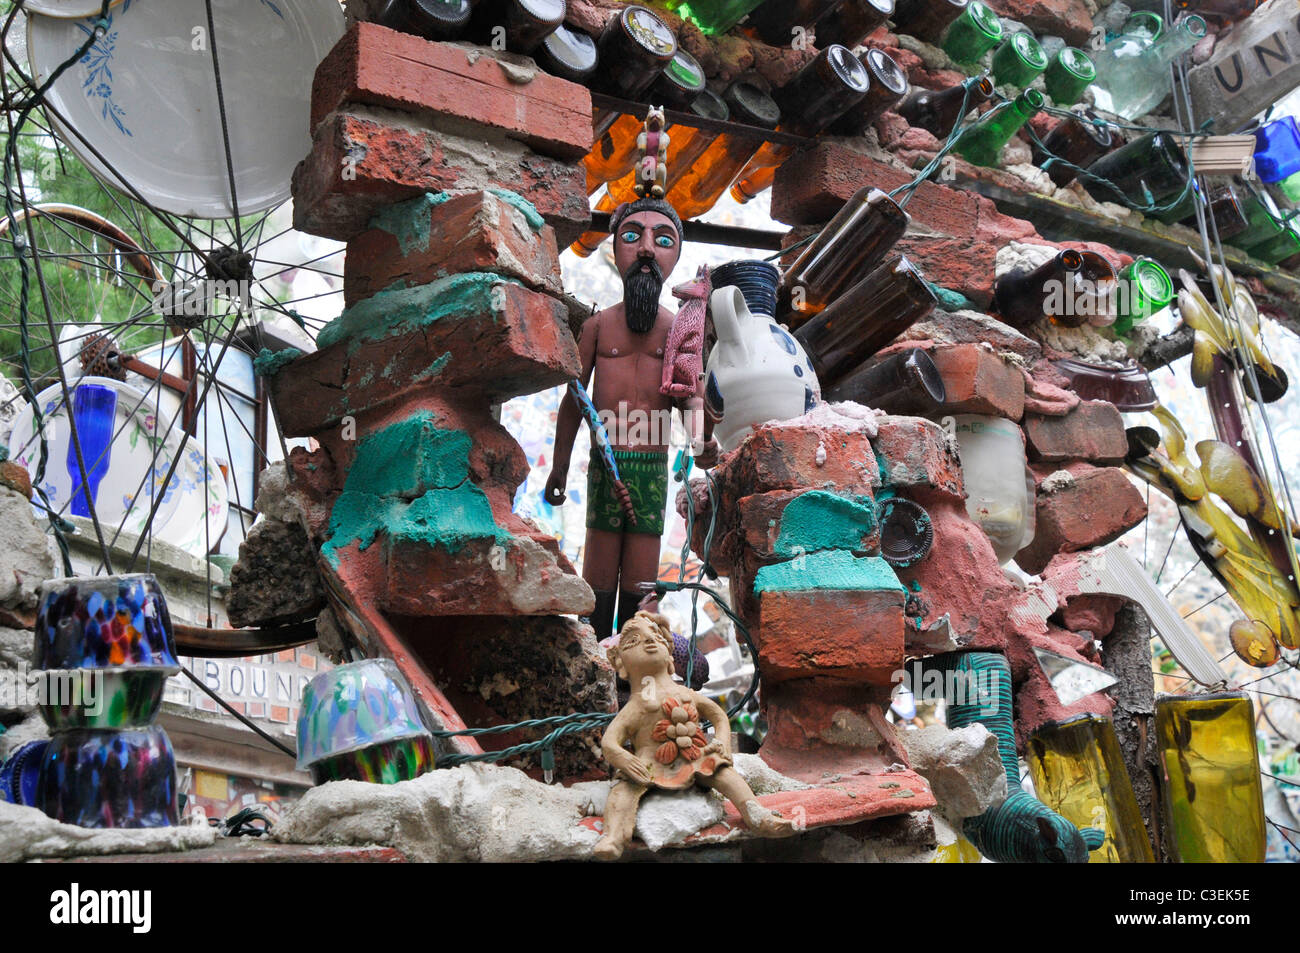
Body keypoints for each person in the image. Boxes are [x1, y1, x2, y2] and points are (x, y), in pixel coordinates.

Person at [545, 197, 717, 639]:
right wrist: (560, 465)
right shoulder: (598, 327)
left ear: (675, 256)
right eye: (631, 236)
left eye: (662, 239)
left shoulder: (680, 330)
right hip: (606, 464)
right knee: (598, 570)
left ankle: (637, 666)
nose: (645, 249)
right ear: (615, 249)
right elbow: (574, 399)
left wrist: (703, 441)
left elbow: (689, 399)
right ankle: (593, 655)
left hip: (651, 468)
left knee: (642, 574)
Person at [593, 611, 793, 860]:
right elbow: (610, 742)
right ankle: (613, 837)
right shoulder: (636, 705)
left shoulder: (685, 692)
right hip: (647, 765)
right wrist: (624, 760)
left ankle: (756, 813)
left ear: (669, 656)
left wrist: (722, 743)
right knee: (622, 793)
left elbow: (719, 715)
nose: (649, 640)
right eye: (634, 640)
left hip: (694, 756)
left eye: (655, 635)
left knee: (723, 772)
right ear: (620, 663)